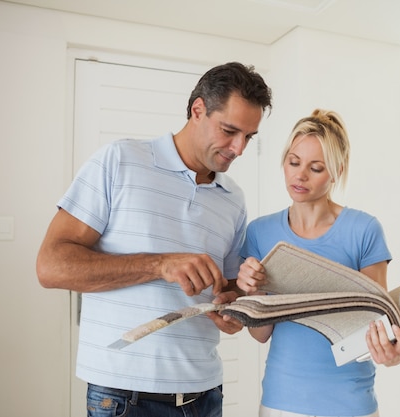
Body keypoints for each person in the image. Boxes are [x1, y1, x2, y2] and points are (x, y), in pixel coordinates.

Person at [36, 62, 272, 417]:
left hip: (205, 395)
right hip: (123, 397)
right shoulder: (120, 161)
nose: (239, 147)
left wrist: (232, 305)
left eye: (248, 137)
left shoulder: (233, 198)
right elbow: (51, 266)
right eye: (229, 131)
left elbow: (226, 286)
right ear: (197, 110)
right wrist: (160, 264)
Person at [236, 109, 400, 417]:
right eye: (293, 162)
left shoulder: (363, 230)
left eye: (316, 168)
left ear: (336, 171)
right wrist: (253, 290)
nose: (299, 175)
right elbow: (259, 334)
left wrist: (393, 354)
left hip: (350, 405)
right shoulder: (260, 232)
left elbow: (378, 325)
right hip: (280, 402)